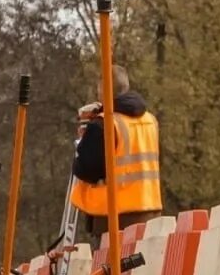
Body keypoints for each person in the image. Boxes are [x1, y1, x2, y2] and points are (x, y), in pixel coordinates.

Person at [65, 67, 163, 249]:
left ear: (103, 89)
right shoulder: (150, 120)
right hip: (149, 212)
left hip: (114, 218)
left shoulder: (104, 124)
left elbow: (87, 170)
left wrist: (83, 141)